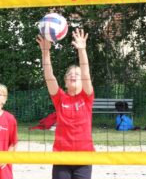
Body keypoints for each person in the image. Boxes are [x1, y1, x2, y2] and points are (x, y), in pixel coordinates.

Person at [37, 28, 95, 179]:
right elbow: (49, 76)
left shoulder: (86, 97)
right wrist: (45, 52)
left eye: (77, 74)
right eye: (70, 75)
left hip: (84, 157)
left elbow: (86, 73)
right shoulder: (60, 98)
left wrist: (82, 50)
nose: (74, 76)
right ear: (65, 81)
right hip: (61, 155)